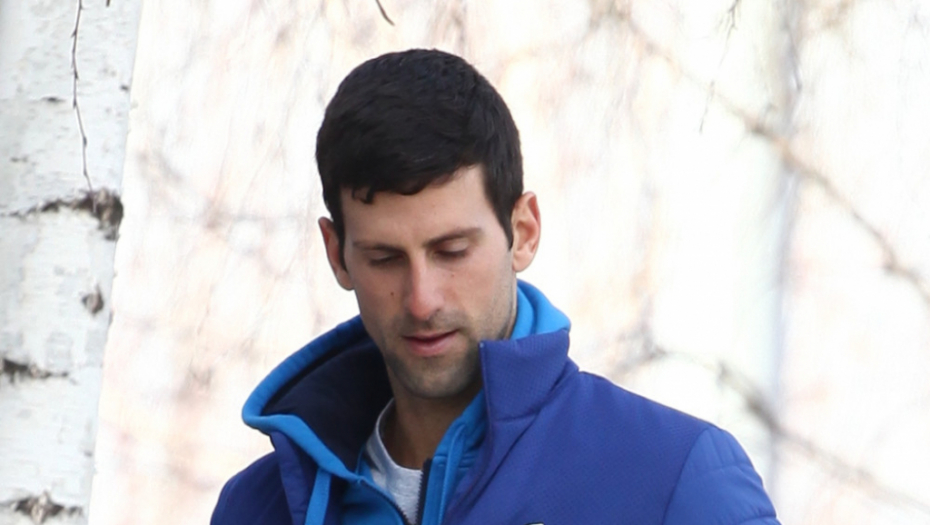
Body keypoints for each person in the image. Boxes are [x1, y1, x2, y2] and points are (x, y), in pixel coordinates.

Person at [210, 48, 780, 525]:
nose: (422, 299)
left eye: (452, 251)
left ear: (523, 232)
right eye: (385, 259)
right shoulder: (257, 509)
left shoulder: (674, 480)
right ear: (337, 255)